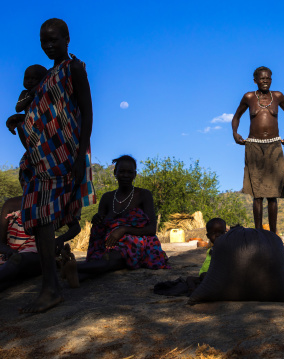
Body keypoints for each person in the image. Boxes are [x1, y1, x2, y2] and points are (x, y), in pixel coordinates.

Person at [6, 18, 95, 313]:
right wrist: (19, 120)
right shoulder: (45, 78)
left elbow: (86, 114)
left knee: (43, 217)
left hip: (63, 156)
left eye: (54, 40)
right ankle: (51, 283)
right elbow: (40, 114)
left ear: (68, 38)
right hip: (39, 157)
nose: (49, 45)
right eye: (44, 41)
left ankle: (51, 288)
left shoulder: (74, 70)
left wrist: (82, 157)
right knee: (36, 217)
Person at [62, 155, 169, 288]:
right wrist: (97, 219)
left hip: (137, 242)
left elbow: (152, 229)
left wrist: (123, 230)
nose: (125, 175)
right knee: (109, 259)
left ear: (135, 175)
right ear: (115, 173)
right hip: (109, 242)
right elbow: (101, 225)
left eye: (130, 172)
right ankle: (78, 275)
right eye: (122, 171)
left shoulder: (143, 195)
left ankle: (72, 268)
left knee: (117, 256)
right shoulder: (107, 198)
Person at [231, 66, 284, 234]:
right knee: (257, 195)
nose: (265, 81)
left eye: (268, 78)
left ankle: (273, 234)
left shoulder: (279, 96)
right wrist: (235, 133)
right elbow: (236, 116)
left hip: (275, 145)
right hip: (253, 146)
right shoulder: (249, 97)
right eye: (262, 79)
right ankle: (258, 233)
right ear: (255, 81)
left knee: (273, 194)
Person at [0, 197, 80, 292]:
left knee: (18, 260)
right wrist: (9, 251)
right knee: (13, 272)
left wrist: (60, 239)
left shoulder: (50, 202)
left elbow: (75, 227)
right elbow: (1, 242)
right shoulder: (10, 204)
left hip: (38, 254)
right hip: (11, 256)